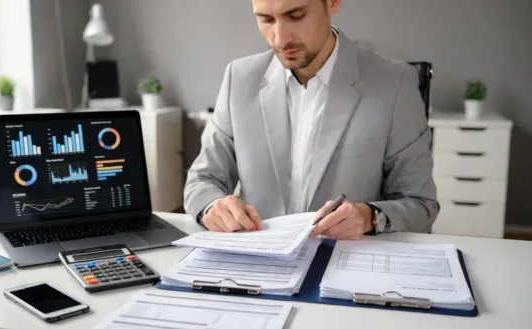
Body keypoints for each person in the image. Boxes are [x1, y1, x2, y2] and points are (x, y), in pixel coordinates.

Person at [184, 0, 439, 240]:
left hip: (346, 265)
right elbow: (202, 181)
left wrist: (369, 217)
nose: (280, 39)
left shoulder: (394, 84)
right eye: (266, 19)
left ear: (333, 2)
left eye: (296, 16)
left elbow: (420, 205)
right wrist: (213, 207)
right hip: (258, 265)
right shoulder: (238, 79)